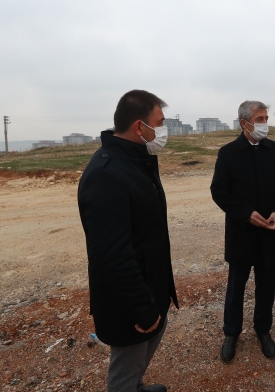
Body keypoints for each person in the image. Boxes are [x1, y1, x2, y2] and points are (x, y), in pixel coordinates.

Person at [78, 90, 178, 392]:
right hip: (132, 307)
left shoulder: (136, 161)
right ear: (139, 127)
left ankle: (136, 384)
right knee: (123, 372)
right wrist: (143, 310)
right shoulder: (107, 174)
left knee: (137, 363)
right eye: (159, 123)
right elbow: (111, 256)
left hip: (150, 292)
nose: (163, 130)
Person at [210, 100, 275, 363]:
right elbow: (219, 191)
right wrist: (245, 214)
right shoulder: (228, 153)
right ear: (244, 123)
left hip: (270, 233)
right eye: (259, 119)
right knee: (236, 287)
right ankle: (231, 333)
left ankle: (263, 330)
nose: (264, 123)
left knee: (267, 286)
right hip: (241, 233)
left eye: (266, 118)